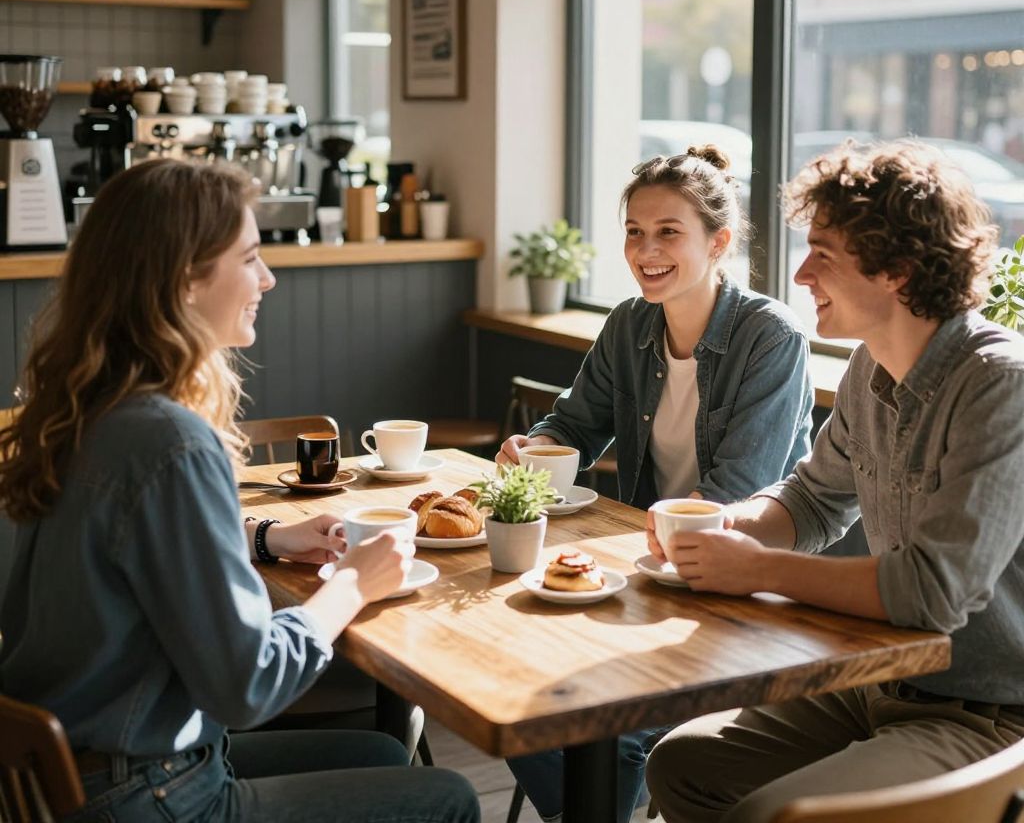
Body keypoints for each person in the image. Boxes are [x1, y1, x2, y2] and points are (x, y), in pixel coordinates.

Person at [0, 159, 479, 823]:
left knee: (384, 753)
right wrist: (352, 585)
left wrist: (266, 537)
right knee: (448, 798)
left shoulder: (83, 409)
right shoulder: (171, 441)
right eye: (250, 258)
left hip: (74, 774)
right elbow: (248, 685)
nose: (268, 278)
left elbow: (133, 558)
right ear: (183, 281)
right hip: (146, 794)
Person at [645, 140, 1024, 823]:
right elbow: (813, 499)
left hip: (992, 719)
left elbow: (933, 590)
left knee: (769, 814)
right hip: (882, 680)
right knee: (681, 765)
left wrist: (758, 569)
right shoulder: (870, 370)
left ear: (897, 270)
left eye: (823, 253)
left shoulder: (1001, 386)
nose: (799, 273)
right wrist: (725, 525)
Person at [499, 148, 815, 823]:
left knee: (616, 733)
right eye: (635, 232)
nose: (646, 250)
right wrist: (538, 449)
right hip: (647, 576)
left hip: (750, 589)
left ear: (718, 241)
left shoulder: (772, 337)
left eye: (668, 232)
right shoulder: (629, 324)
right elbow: (575, 424)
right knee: (508, 697)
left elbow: (740, 494)